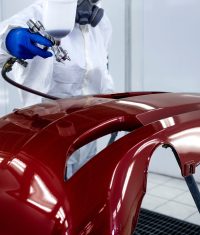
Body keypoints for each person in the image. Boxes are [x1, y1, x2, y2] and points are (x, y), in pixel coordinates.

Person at [0, 0, 114, 178]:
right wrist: (8, 39)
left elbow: (102, 73)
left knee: (82, 188)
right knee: (46, 191)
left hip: (88, 131)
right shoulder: (36, 15)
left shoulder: (100, 23)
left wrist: (110, 104)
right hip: (44, 132)